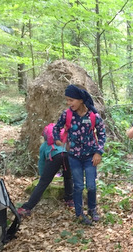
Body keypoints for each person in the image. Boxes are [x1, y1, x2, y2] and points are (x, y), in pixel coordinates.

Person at [53, 84, 106, 225]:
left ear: (81, 100)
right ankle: (79, 214)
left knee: (91, 186)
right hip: (74, 157)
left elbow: (102, 134)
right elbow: (56, 128)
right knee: (78, 186)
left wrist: (98, 152)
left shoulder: (94, 116)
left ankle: (92, 210)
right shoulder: (67, 114)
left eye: (71, 100)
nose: (68, 103)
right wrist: (59, 141)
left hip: (90, 157)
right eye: (67, 100)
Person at [17, 124, 74, 217]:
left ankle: (27, 208)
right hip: (67, 155)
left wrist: (42, 175)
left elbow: (42, 162)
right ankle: (70, 200)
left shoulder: (45, 145)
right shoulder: (64, 142)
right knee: (68, 177)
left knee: (43, 183)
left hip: (54, 157)